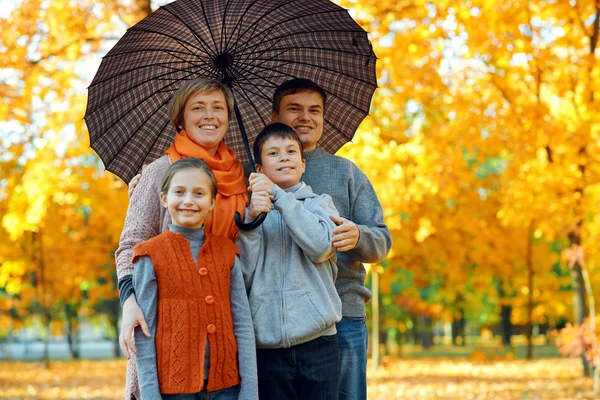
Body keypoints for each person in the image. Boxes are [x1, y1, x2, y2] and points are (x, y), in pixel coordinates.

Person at [116, 78, 249, 400]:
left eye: (218, 107)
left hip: (228, 306)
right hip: (171, 317)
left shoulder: (244, 174)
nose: (209, 115)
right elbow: (130, 243)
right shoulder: (161, 171)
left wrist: (258, 212)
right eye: (198, 107)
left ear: (229, 118)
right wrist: (129, 300)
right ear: (181, 117)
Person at [271, 79, 392, 400]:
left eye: (315, 111)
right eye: (294, 109)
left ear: (324, 118)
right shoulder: (256, 175)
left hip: (342, 311)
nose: (305, 118)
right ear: (274, 116)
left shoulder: (346, 173)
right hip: (277, 320)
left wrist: (358, 235)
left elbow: (382, 241)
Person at [132, 158, 257, 400]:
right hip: (174, 391)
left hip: (226, 387)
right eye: (179, 192)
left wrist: (250, 390)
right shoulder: (149, 254)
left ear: (212, 203)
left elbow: (242, 323)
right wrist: (150, 395)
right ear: (164, 199)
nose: (189, 200)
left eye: (199, 193)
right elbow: (145, 331)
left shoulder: (228, 252)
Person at [237, 123, 342, 399]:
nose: (283, 157)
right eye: (273, 153)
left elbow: (320, 247)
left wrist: (280, 197)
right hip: (268, 349)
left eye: (291, 151)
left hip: (319, 342)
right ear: (258, 170)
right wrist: (251, 223)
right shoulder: (252, 214)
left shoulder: (321, 204)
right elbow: (243, 274)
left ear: (303, 164)